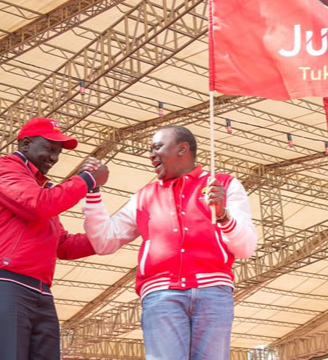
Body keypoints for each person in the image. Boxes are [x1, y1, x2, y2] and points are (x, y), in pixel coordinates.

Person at [82, 125, 258, 360]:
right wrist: (93, 192)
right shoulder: (143, 196)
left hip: (213, 292)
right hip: (161, 293)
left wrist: (223, 214)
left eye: (157, 147)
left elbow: (246, 248)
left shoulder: (224, 186)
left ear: (182, 148)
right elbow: (105, 241)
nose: (151, 155)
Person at [0, 117, 109, 360]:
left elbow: (62, 245)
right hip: (4, 278)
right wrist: (87, 180)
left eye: (58, 153)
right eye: (50, 149)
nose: (54, 158)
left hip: (38, 287)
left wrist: (112, 235)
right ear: (25, 143)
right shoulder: (6, 168)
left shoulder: (41, 188)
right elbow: (38, 206)